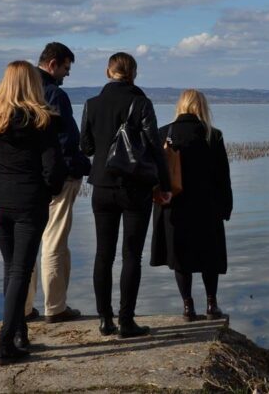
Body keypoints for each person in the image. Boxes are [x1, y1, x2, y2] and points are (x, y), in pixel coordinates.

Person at [0, 60, 66, 365]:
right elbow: (54, 169)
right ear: (33, 84)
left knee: (12, 269)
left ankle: (20, 335)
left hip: (0, 203)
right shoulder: (44, 121)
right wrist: (47, 190)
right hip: (30, 203)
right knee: (21, 270)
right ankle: (5, 342)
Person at [80, 52, 172, 338]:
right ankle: (126, 321)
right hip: (136, 188)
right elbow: (155, 147)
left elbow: (85, 146)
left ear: (109, 71)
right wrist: (165, 185)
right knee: (131, 255)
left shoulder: (91, 104)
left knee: (102, 254)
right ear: (134, 73)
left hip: (102, 187)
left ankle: (105, 320)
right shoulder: (141, 103)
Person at [24, 42, 91, 329]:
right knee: (54, 241)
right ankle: (55, 306)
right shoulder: (54, 94)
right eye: (66, 68)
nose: (67, 74)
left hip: (24, 180)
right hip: (58, 179)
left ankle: (24, 308)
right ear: (52, 64)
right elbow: (66, 140)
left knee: (25, 246)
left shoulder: (19, 93)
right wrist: (80, 167)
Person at [151, 89, 232, 322]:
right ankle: (212, 304)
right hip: (207, 206)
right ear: (202, 107)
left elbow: (156, 173)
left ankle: (187, 307)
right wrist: (226, 207)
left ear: (181, 106)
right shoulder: (212, 135)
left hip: (174, 207)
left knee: (180, 258)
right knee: (210, 256)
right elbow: (222, 176)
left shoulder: (164, 133)